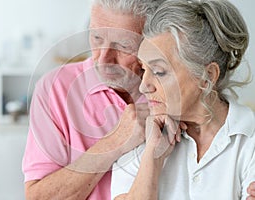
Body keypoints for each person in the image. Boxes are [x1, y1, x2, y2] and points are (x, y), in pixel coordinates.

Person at [111, 0, 255, 199]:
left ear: (207, 77)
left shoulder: (250, 140)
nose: (144, 86)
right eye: (144, 70)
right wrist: (152, 160)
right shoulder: (139, 137)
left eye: (159, 72)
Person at [22, 0, 165, 199]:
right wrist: (115, 141)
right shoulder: (55, 88)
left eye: (123, 45)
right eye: (97, 37)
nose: (104, 58)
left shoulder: (173, 91)